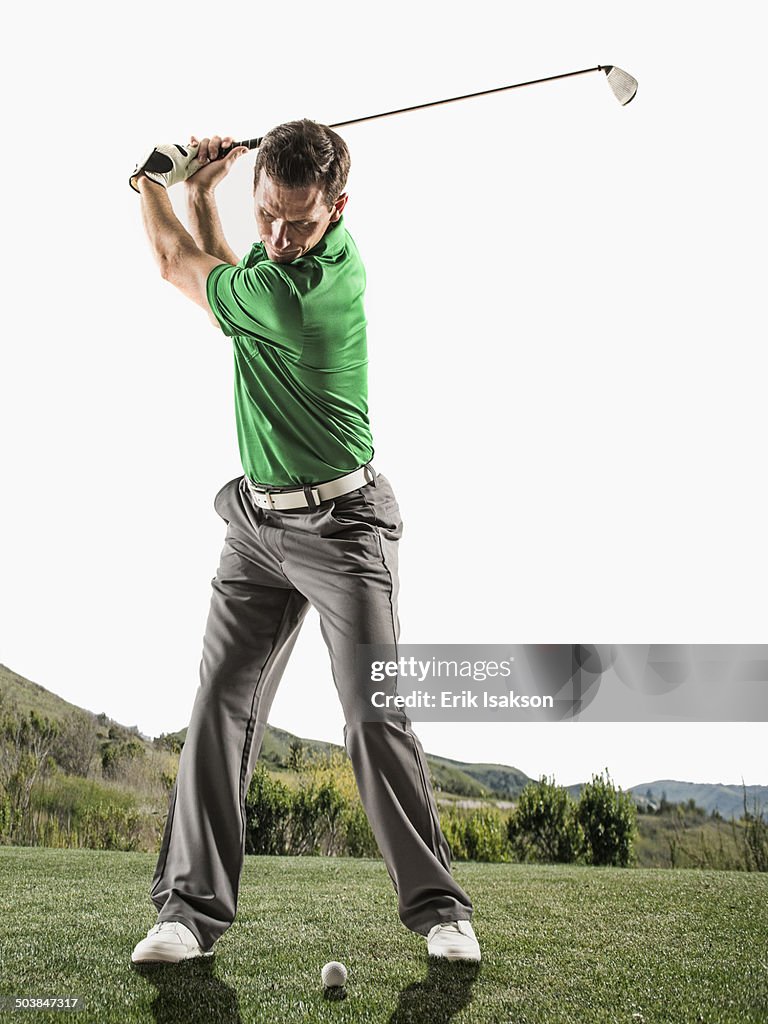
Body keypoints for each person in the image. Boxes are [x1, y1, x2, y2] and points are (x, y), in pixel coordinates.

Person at [128, 120, 480, 964]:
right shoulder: (276, 268)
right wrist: (206, 195)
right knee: (219, 703)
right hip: (256, 526)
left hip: (342, 528)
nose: (281, 239)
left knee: (371, 710)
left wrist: (148, 183)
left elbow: (182, 267)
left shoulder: (310, 291)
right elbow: (228, 289)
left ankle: (441, 913)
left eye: (301, 224)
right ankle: (188, 912)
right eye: (269, 218)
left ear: (339, 210)